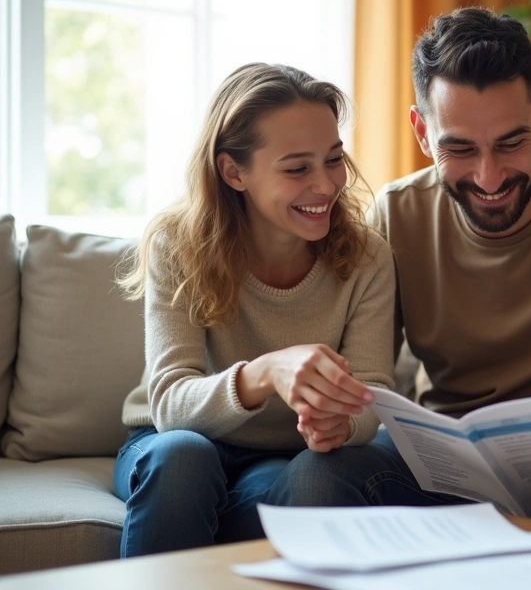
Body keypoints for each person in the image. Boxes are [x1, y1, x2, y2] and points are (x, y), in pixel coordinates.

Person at [268, 8, 531, 533]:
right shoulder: (394, 217)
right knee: (318, 478)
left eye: (511, 143)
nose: (489, 176)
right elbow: (364, 374)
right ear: (420, 130)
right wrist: (331, 413)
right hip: (445, 468)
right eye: (458, 148)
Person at [114, 63, 396, 557]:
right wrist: (266, 372)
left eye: (334, 160)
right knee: (185, 458)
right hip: (168, 442)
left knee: (307, 483)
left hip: (277, 455)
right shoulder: (177, 245)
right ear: (233, 171)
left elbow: (373, 393)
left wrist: (342, 424)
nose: (327, 185)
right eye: (297, 168)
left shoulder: (367, 256)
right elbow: (169, 404)